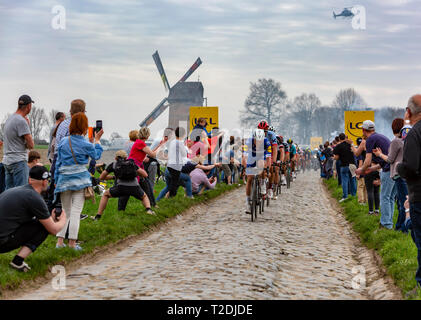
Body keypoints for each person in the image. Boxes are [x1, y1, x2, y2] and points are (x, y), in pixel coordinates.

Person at [0, 166, 66, 272]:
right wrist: (63, 219)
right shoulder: (34, 198)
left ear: (29, 179)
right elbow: (53, 230)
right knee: (44, 228)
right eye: (48, 181)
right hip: (2, 242)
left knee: (41, 223)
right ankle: (17, 262)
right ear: (44, 182)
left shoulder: (17, 190)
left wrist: (49, 218)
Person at [54, 112, 104, 250]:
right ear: (84, 126)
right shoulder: (86, 144)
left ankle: (59, 242)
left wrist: (56, 180)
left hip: (64, 179)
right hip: (80, 180)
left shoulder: (63, 142)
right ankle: (72, 244)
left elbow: (58, 163)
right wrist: (97, 141)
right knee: (76, 212)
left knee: (66, 211)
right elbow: (97, 155)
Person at [397, 94, 421, 296]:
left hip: (419, 195)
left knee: (420, 240)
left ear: (409, 112)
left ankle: (420, 284)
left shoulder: (414, 134)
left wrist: (400, 168)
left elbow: (411, 166)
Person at [93, 150, 155, 220]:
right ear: (126, 157)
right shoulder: (132, 164)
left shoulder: (113, 164)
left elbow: (102, 177)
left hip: (120, 188)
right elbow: (145, 174)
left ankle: (98, 216)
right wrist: (136, 173)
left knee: (106, 194)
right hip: (134, 187)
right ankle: (148, 210)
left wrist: (114, 177)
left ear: (116, 158)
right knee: (144, 196)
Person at [356, 120, 395, 229]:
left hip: (388, 170)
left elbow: (367, 161)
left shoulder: (370, 140)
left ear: (363, 130)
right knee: (390, 198)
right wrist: (371, 169)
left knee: (385, 198)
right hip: (394, 169)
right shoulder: (380, 137)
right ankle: (389, 222)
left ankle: (385, 224)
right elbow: (383, 161)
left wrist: (361, 170)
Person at [373, 118, 408, 232]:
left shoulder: (395, 141)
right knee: (396, 199)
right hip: (404, 173)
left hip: (397, 173)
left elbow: (389, 159)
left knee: (395, 201)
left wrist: (379, 154)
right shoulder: (405, 140)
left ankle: (396, 226)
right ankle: (397, 225)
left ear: (393, 128)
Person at [2, 95, 35, 190]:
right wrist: (27, 126)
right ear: (29, 106)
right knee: (21, 193)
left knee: (9, 194)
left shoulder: (10, 119)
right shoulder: (21, 121)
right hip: (18, 161)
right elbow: (31, 145)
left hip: (7, 161)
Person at [242, 129, 272, 214]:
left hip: (261, 155)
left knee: (262, 164)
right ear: (253, 138)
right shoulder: (249, 142)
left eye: (260, 140)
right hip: (252, 155)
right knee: (250, 178)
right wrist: (245, 167)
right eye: (257, 140)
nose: (258, 142)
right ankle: (247, 202)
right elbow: (245, 157)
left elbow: (269, 158)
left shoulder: (266, 142)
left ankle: (262, 183)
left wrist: (267, 168)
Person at [333, 133, 357, 202]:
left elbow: (337, 157)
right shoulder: (350, 145)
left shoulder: (338, 146)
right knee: (353, 180)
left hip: (344, 165)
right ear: (345, 138)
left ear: (339, 139)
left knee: (345, 181)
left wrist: (334, 158)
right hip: (352, 165)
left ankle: (345, 196)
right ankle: (354, 195)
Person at [167, 127, 188, 198]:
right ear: (183, 134)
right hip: (176, 165)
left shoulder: (172, 141)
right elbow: (184, 154)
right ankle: (172, 196)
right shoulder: (180, 143)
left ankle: (170, 196)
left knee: (174, 181)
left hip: (170, 164)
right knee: (175, 182)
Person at [355, 138, 368, 205]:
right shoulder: (366, 151)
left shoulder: (359, 152)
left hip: (361, 171)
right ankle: (366, 200)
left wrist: (358, 173)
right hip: (367, 171)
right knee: (365, 187)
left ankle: (361, 201)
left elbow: (360, 162)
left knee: (360, 187)